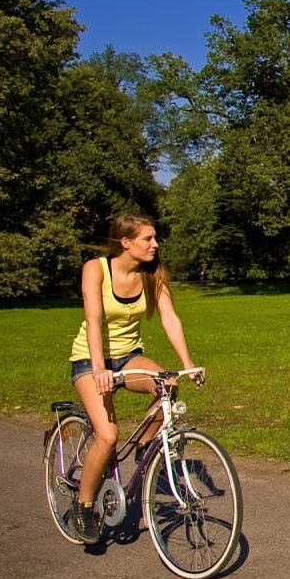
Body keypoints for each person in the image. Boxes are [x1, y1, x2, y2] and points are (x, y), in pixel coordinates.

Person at [67, 214, 200, 544]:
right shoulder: (96, 269)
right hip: (90, 359)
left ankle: (144, 448)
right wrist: (99, 369)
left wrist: (188, 362)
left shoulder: (152, 274)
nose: (155, 244)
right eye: (148, 239)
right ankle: (83, 506)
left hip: (128, 356)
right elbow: (94, 319)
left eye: (155, 238)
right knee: (108, 435)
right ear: (125, 243)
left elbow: (169, 317)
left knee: (167, 384)